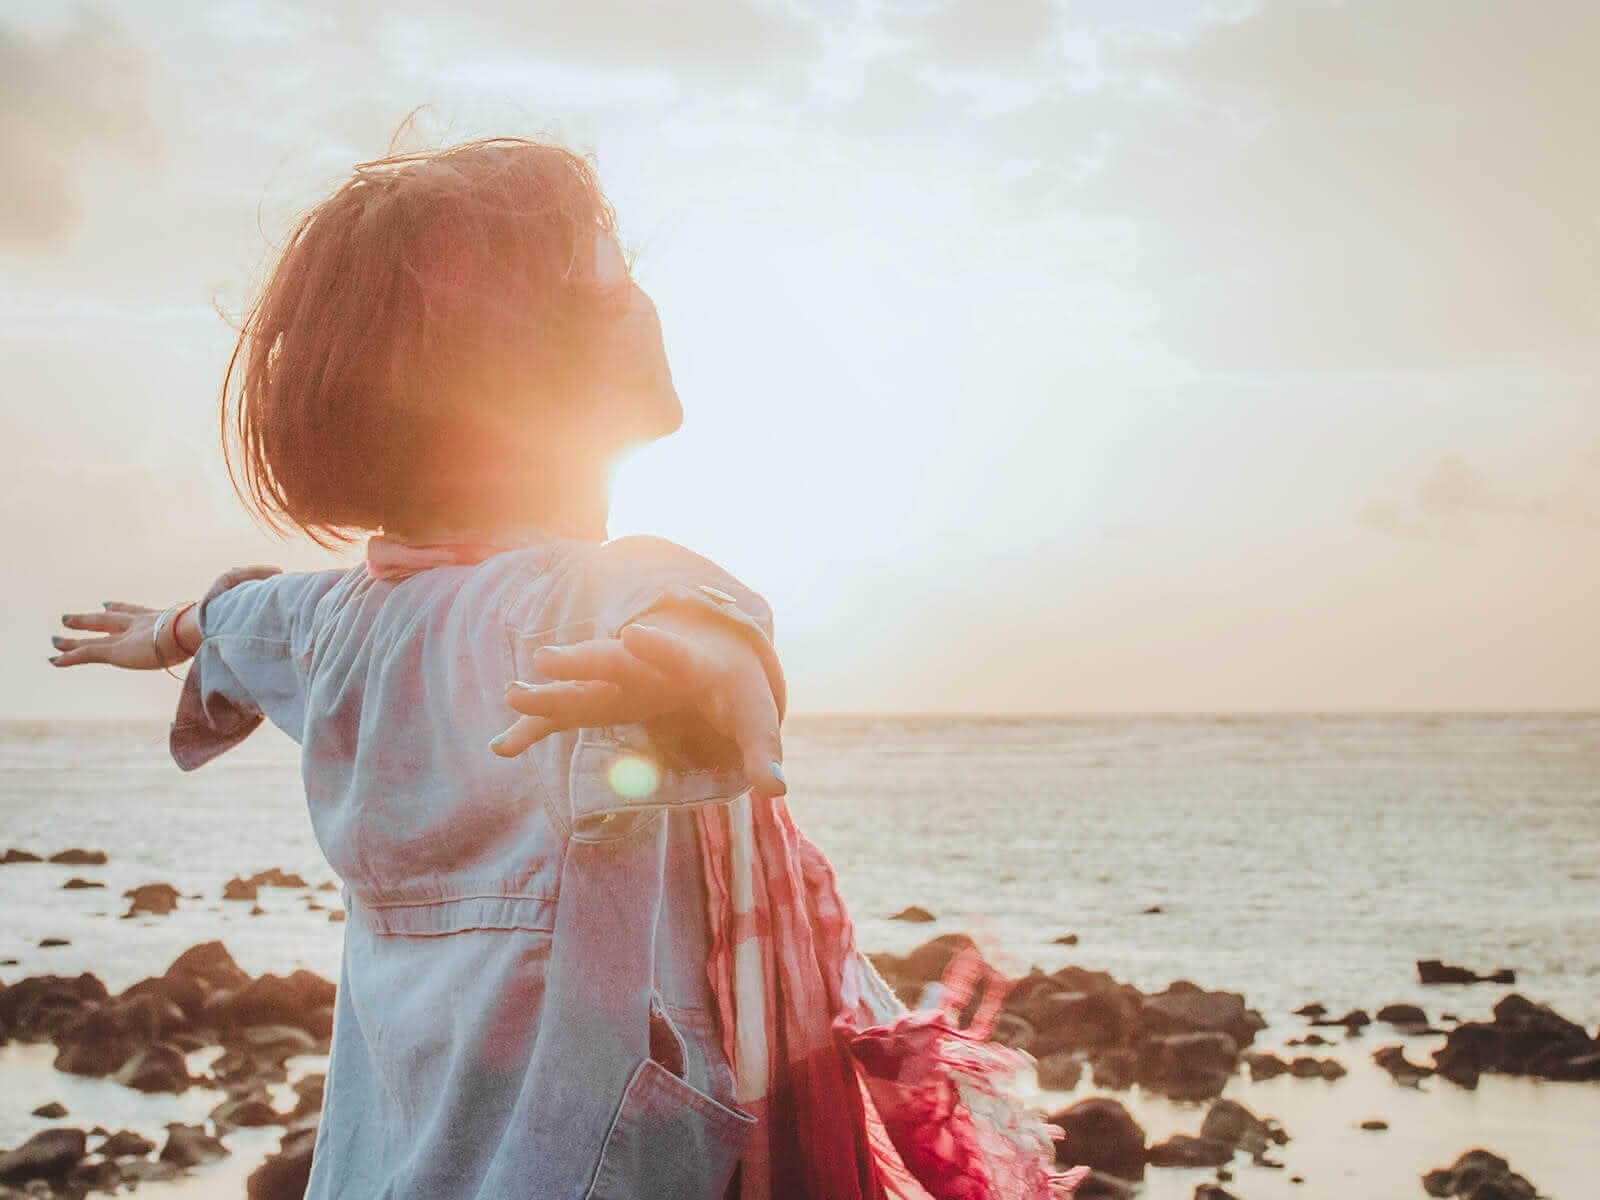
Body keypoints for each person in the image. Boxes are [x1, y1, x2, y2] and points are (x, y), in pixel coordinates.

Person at [49, 138, 806, 1200]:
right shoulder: (585, 597)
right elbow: (688, 614)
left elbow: (240, 621)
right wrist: (698, 672)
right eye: (610, 282)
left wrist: (170, 628)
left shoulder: (336, 620)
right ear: (510, 366)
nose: (641, 304)